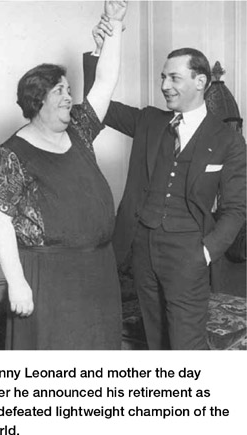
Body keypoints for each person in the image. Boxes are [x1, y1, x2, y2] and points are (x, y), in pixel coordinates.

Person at [82, 19, 246, 350]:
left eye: (174, 77)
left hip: (190, 253)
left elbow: (236, 208)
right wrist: (99, 53)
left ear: (201, 81)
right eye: (162, 77)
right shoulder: (149, 121)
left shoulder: (227, 141)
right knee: (155, 343)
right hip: (142, 247)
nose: (165, 85)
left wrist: (205, 252)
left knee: (187, 346)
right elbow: (96, 109)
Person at [0, 0, 128, 350]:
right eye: (60, 91)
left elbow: (105, 82)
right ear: (38, 102)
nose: (69, 96)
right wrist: (16, 284)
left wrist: (114, 28)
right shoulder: (13, 152)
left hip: (97, 270)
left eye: (68, 89)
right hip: (47, 277)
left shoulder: (79, 128)